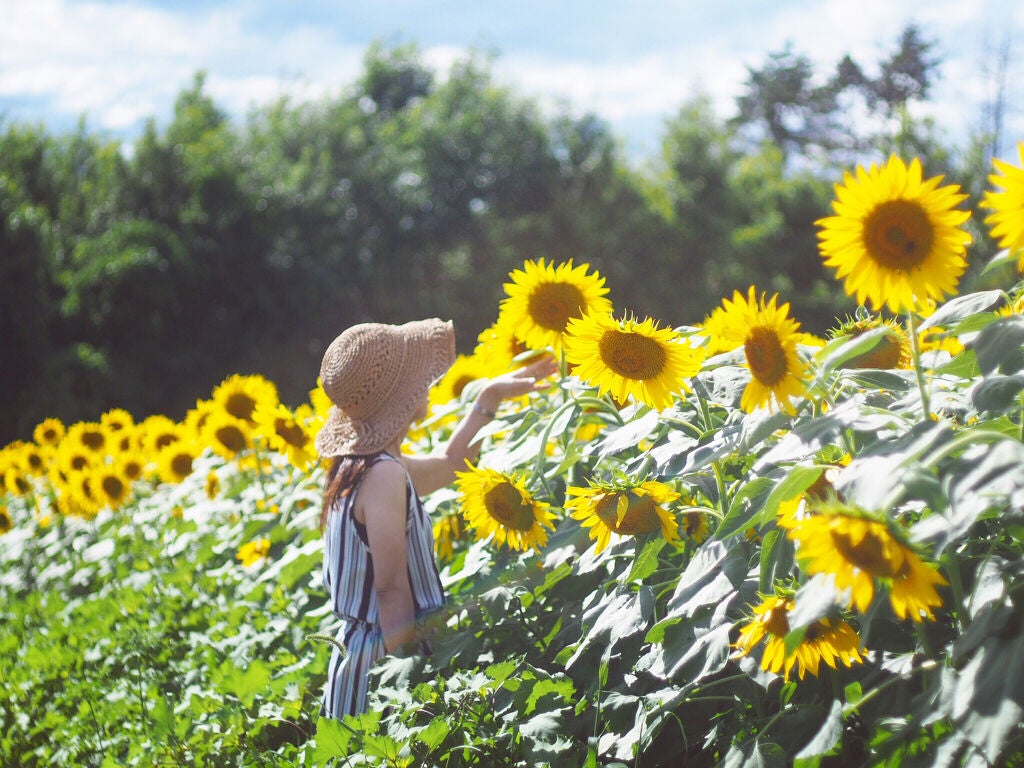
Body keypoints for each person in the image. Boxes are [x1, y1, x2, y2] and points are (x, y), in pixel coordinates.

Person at [315, 318, 556, 719]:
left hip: (359, 659)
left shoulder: (365, 466)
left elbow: (451, 465)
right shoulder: (385, 474)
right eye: (417, 376)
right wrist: (410, 680)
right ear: (401, 395)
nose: (426, 383)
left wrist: (490, 397)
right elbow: (390, 589)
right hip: (385, 665)